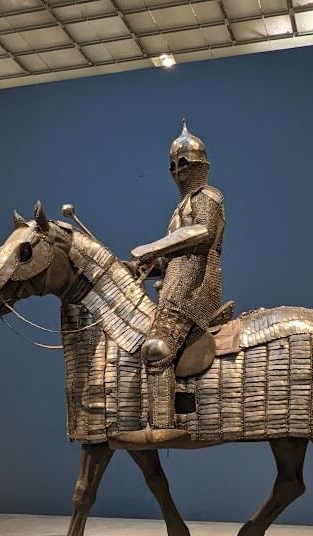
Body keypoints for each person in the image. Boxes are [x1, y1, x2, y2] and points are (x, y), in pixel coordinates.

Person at [120, 120, 226, 445]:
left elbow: (202, 233)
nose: (180, 172)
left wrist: (154, 246)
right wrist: (136, 267)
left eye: (186, 164)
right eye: (174, 166)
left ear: (202, 166)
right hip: (174, 285)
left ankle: (163, 426)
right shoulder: (179, 209)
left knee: (156, 348)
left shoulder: (208, 196)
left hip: (194, 287)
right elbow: (166, 261)